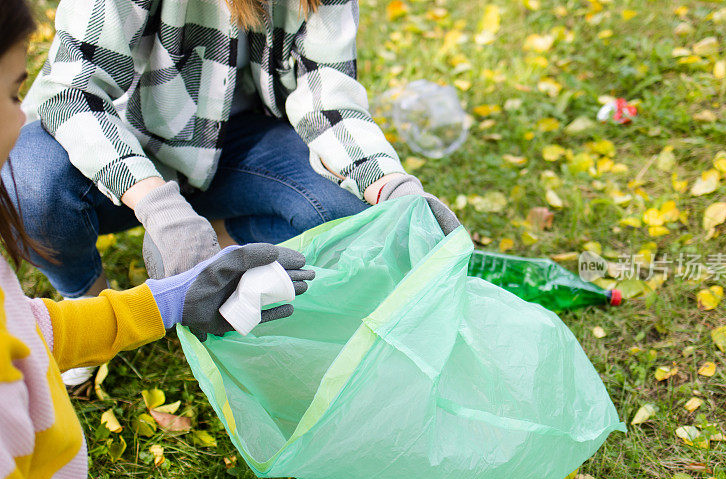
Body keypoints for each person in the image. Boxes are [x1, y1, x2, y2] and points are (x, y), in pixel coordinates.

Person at [4, 0, 459, 385]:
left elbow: (327, 97)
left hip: (239, 146)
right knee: (27, 184)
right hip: (128, 141)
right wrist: (161, 209)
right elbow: (70, 92)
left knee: (345, 214)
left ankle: (219, 233)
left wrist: (391, 186)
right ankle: (88, 303)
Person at [0, 1, 315, 479]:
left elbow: (27, 331)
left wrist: (169, 300)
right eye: (12, 92)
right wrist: (159, 208)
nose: (20, 111)